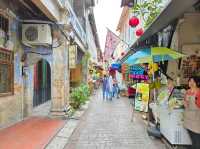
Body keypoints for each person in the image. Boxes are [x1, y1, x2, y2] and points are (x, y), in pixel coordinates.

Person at [183, 76, 200, 149]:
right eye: (190, 81)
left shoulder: (199, 92)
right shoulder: (187, 92)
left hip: (196, 120)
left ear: (197, 83)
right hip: (188, 119)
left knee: (197, 139)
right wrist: (185, 102)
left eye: (193, 81)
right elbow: (186, 105)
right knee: (193, 138)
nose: (191, 83)